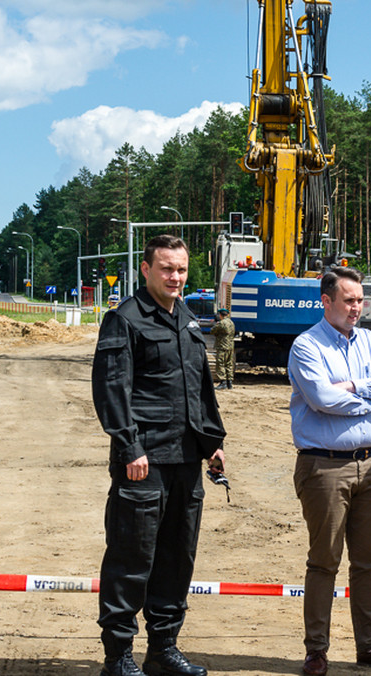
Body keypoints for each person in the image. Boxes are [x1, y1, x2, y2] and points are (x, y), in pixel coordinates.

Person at [92, 234, 227, 676]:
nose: (175, 276)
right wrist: (130, 445)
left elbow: (200, 390)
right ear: (146, 270)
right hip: (143, 461)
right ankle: (118, 657)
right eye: (167, 268)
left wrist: (212, 444)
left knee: (176, 556)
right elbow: (112, 389)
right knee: (132, 558)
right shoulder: (125, 320)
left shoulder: (187, 320)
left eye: (181, 269)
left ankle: (163, 650)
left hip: (186, 459)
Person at [287, 266, 371, 676]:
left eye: (360, 300)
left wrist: (354, 389)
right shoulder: (306, 346)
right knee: (324, 560)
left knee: (368, 561)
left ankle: (368, 646)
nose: (358, 307)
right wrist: (370, 395)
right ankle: (316, 650)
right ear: (327, 301)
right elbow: (321, 399)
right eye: (349, 300)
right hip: (325, 467)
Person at [211, 307, 236, 390]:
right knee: (229, 364)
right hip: (230, 346)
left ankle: (223, 382)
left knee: (220, 363)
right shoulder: (231, 323)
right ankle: (230, 383)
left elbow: (212, 331)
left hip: (222, 346)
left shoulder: (221, 323)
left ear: (220, 315)